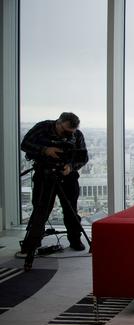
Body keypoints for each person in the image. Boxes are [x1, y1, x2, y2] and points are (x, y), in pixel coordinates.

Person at [21, 112, 89, 271]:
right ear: (58, 123)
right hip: (44, 175)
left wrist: (71, 167)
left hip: (68, 175)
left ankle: (75, 239)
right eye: (66, 131)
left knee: (71, 209)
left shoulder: (77, 134)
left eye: (71, 132)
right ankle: (32, 243)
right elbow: (25, 144)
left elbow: (83, 156)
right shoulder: (43, 128)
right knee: (41, 209)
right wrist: (45, 150)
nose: (68, 135)